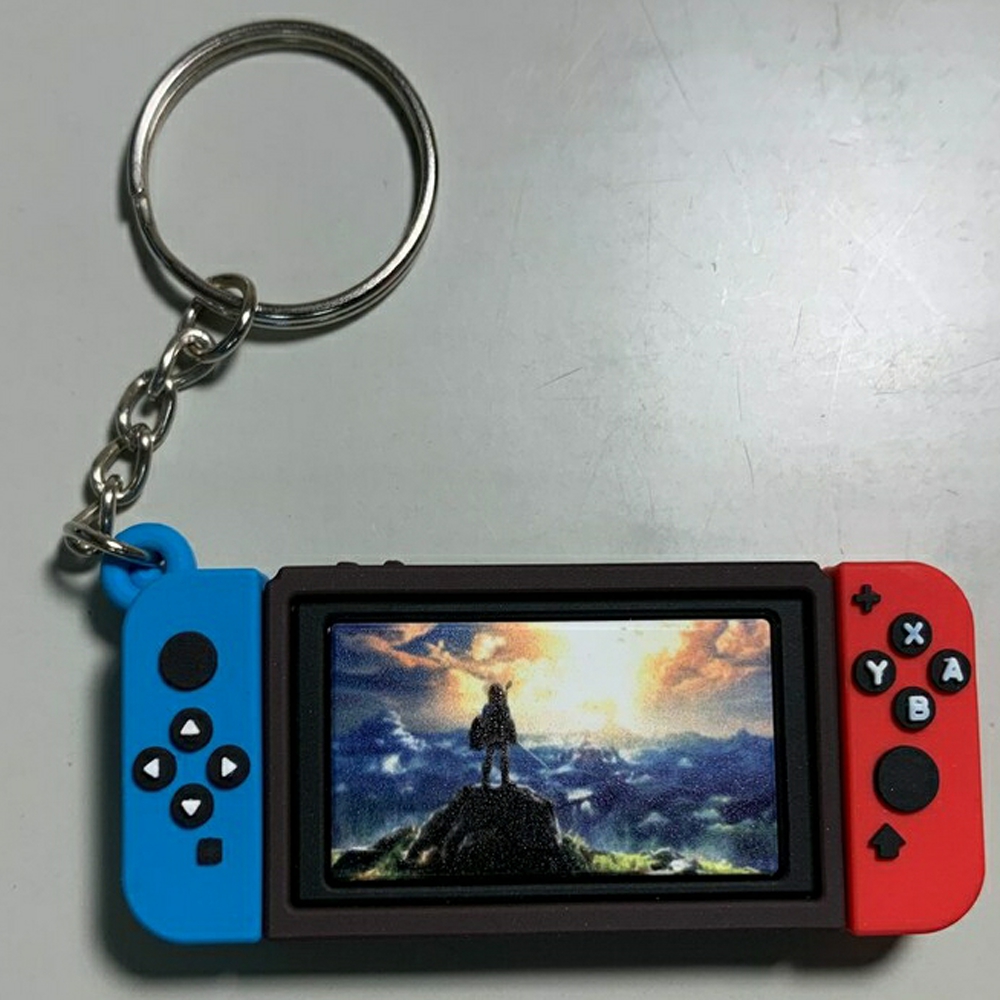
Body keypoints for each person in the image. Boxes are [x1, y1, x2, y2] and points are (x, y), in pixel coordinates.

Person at [473, 683, 517, 788]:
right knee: (494, 758)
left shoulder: (489, 707)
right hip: (495, 736)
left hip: (496, 736)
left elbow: (507, 721)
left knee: (500, 758)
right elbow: (506, 721)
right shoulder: (490, 708)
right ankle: (491, 781)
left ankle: (497, 780)